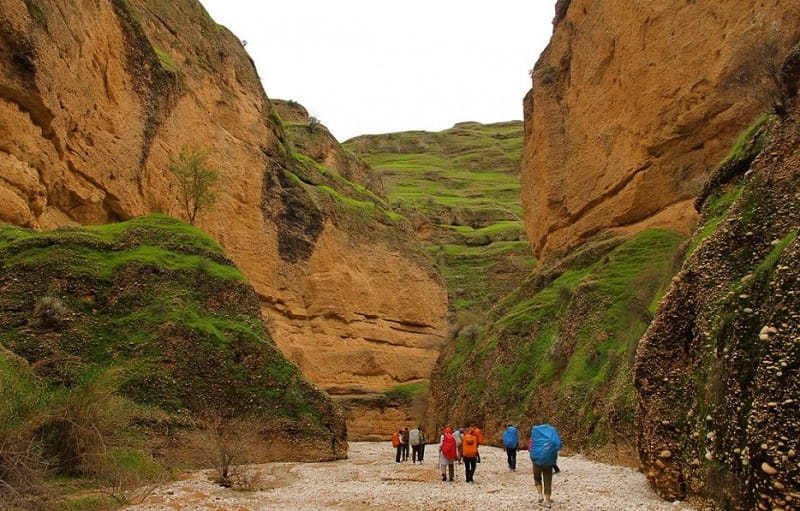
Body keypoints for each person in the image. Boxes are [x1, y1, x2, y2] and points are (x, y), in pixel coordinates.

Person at [529, 423, 562, 508]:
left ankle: (540, 495)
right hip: (548, 460)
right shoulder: (552, 431)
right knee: (547, 480)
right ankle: (547, 501)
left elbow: (530, 446)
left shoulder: (535, 432)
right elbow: (558, 444)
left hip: (536, 459)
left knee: (537, 478)